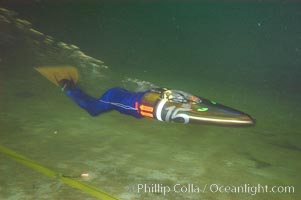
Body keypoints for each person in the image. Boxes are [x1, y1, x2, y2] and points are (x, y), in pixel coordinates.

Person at [36, 66, 255, 126]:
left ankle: (74, 88)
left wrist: (194, 102)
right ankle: (68, 88)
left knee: (98, 107)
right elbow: (168, 111)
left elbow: (190, 101)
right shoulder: (160, 104)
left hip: (125, 95)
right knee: (93, 111)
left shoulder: (170, 96)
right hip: (118, 97)